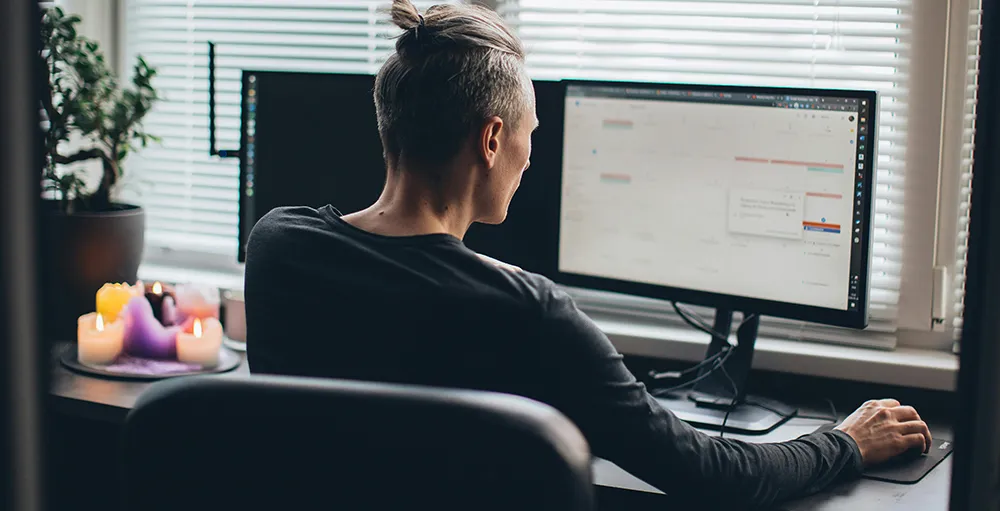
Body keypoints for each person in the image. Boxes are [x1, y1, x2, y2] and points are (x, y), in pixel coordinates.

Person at [244, 1, 932, 507]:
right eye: (529, 133)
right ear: (492, 140)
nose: (529, 155)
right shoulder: (528, 313)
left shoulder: (278, 248)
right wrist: (845, 441)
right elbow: (715, 475)